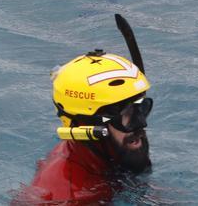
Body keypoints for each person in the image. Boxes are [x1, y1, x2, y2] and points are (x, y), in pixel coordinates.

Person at [15, 15, 153, 205]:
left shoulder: (104, 154)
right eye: (125, 114)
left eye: (141, 108)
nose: (141, 123)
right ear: (86, 125)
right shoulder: (64, 197)